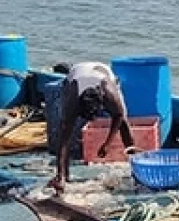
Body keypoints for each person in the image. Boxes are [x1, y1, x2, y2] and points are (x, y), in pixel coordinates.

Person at [51, 61, 136, 194]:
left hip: (102, 73)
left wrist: (107, 143)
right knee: (65, 129)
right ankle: (62, 176)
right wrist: (60, 175)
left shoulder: (109, 93)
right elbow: (64, 140)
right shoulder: (73, 99)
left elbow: (118, 116)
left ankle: (135, 167)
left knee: (124, 122)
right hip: (76, 73)